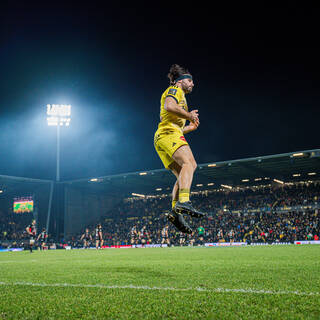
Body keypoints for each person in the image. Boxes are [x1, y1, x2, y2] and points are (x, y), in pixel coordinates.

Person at [154, 64, 206, 234]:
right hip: (167, 134)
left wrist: (189, 127)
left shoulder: (180, 96)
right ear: (180, 81)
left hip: (164, 136)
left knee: (182, 173)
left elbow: (171, 122)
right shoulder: (175, 90)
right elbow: (169, 106)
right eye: (189, 80)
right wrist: (189, 114)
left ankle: (175, 213)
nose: (192, 84)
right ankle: (184, 201)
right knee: (190, 164)